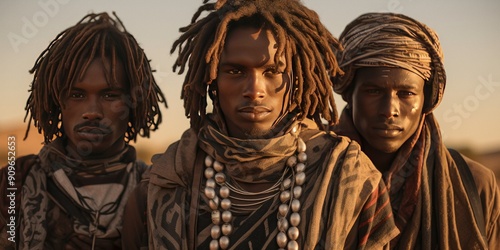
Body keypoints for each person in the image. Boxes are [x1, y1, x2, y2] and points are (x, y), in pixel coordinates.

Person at [138, 1, 400, 249]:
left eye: (273, 72)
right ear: (211, 79)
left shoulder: (348, 176)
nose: (255, 90)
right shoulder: (167, 177)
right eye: (235, 71)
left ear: (298, 77)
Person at [0, 12, 167, 249]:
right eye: (77, 95)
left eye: (110, 95)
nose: (92, 112)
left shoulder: (160, 191)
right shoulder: (12, 183)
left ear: (133, 104)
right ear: (56, 101)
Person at [333, 12, 500, 249]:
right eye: (374, 91)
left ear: (427, 99)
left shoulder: (475, 184)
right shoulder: (305, 174)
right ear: (350, 93)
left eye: (406, 94)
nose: (389, 110)